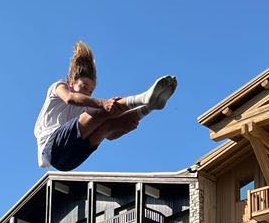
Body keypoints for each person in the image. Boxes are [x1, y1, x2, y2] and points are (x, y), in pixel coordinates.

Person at [33, 41, 177, 173]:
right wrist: (103, 103)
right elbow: (71, 99)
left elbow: (110, 136)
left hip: (69, 162)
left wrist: (124, 127)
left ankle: (150, 106)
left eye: (91, 90)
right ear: (72, 83)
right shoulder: (59, 87)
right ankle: (143, 97)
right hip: (52, 148)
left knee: (108, 125)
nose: (88, 92)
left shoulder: (84, 109)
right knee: (101, 111)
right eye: (84, 87)